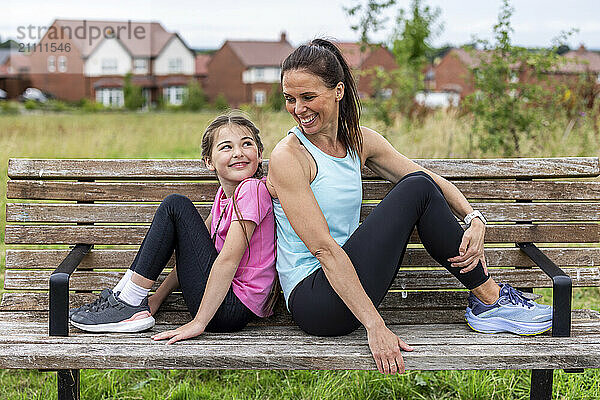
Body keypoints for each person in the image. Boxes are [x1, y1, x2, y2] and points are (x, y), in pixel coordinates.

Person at [266, 39, 552, 375]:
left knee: (419, 184)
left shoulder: (358, 140)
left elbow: (427, 179)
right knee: (415, 189)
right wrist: (375, 326)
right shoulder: (289, 157)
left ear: (338, 91)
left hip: (350, 283)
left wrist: (474, 218)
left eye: (308, 97)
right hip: (316, 300)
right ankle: (490, 299)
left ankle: (490, 301)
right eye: (290, 98)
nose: (298, 108)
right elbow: (324, 250)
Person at [69, 112, 277, 343]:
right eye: (226, 147)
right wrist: (156, 299)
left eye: (246, 144)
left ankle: (127, 300)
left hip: (230, 306)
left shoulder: (252, 190)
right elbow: (195, 258)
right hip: (223, 304)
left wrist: (198, 323)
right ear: (209, 162)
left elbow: (227, 260)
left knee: (175, 205)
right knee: (175, 206)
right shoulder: (223, 197)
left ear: (259, 154)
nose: (238, 152)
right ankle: (128, 300)